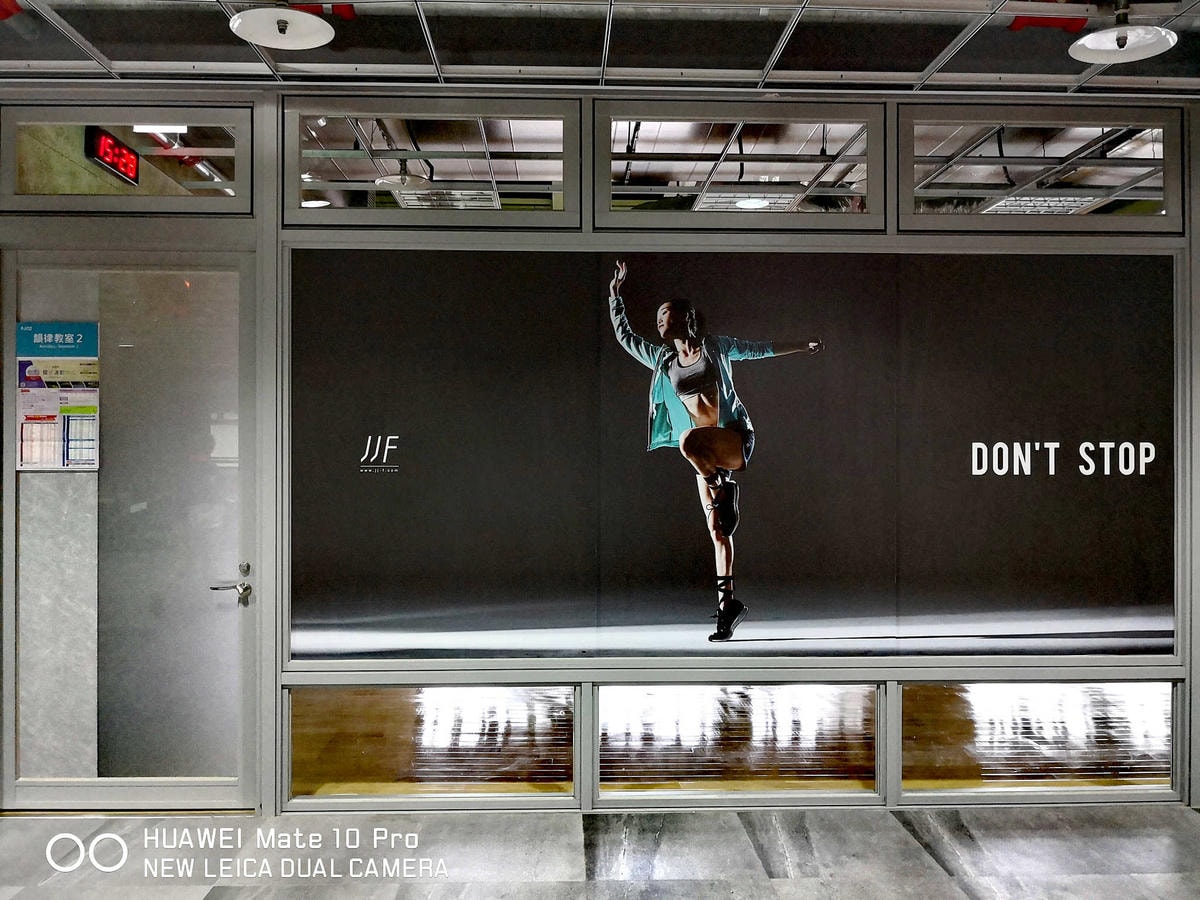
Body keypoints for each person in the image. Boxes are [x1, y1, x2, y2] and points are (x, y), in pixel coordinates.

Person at [608, 259, 823, 641]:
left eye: (665, 313)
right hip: (704, 459)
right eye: (657, 316)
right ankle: (728, 609)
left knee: (686, 440)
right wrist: (615, 298)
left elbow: (759, 349)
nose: (658, 319)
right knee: (717, 530)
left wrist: (800, 346)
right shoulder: (662, 362)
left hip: (733, 439)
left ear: (685, 318)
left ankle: (725, 490)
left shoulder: (716, 348)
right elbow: (626, 338)